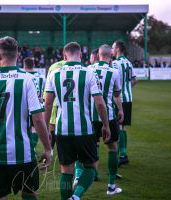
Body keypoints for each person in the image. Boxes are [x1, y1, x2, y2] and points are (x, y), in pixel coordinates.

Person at [0, 36, 52, 200]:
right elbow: (37, 119)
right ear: (17, 56)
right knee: (29, 194)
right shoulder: (27, 80)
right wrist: (48, 148)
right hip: (22, 152)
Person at [44, 42, 111, 200]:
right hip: (84, 129)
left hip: (62, 129)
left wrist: (47, 129)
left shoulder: (54, 74)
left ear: (64, 55)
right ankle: (76, 196)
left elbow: (47, 104)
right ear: (80, 55)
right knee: (91, 167)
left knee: (66, 171)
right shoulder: (88, 73)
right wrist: (106, 125)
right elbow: (100, 103)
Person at [90, 44, 124, 195]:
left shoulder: (88, 69)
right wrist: (121, 109)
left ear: (98, 55)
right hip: (108, 116)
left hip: (90, 116)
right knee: (112, 148)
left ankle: (83, 176)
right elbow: (117, 93)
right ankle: (111, 186)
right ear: (111, 56)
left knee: (90, 146)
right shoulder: (114, 72)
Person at [74, 48, 100, 184]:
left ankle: (78, 176)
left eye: (90, 55)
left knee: (67, 167)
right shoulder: (89, 71)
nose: (89, 57)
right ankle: (93, 173)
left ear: (95, 56)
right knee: (95, 146)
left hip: (84, 116)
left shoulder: (88, 69)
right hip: (98, 115)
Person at [112, 40, 138, 165]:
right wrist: (127, 89)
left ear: (117, 49)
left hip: (119, 99)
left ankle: (121, 155)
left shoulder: (115, 64)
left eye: (113, 48)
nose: (111, 50)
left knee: (118, 127)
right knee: (123, 127)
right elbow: (135, 80)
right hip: (128, 98)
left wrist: (119, 91)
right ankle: (123, 153)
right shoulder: (128, 62)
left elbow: (112, 81)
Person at [44, 60, 67, 153]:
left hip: (53, 101)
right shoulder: (75, 66)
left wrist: (44, 98)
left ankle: (51, 150)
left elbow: (47, 87)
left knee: (52, 126)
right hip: (67, 102)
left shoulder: (53, 66)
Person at [23, 57, 46, 147]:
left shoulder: (23, 77)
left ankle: (28, 146)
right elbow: (44, 91)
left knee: (25, 128)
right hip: (38, 106)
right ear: (34, 65)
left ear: (24, 65)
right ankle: (33, 147)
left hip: (25, 106)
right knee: (34, 128)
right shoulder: (42, 77)